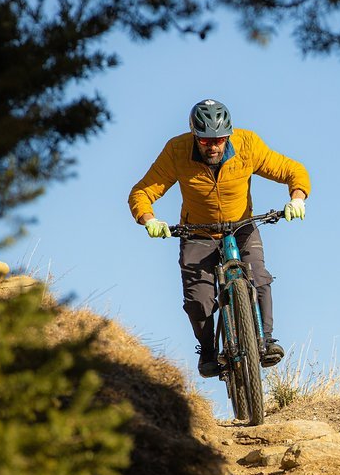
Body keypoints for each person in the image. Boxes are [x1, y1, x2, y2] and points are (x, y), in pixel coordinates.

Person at [128, 98, 310, 377]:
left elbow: (292, 170)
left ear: (229, 135)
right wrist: (149, 220)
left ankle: (265, 339)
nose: (213, 146)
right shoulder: (177, 151)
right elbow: (142, 192)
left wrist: (297, 198)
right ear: (194, 136)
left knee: (259, 277)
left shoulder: (248, 145)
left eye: (220, 139)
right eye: (204, 141)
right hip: (196, 233)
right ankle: (209, 351)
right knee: (198, 300)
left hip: (241, 227)